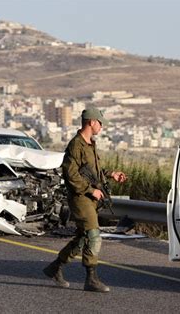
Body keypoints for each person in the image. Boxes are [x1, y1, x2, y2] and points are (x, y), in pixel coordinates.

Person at [43, 107, 127, 293]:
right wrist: (90, 190)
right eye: (100, 123)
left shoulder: (90, 144)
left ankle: (55, 267)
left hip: (90, 198)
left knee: (82, 238)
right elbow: (70, 174)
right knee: (94, 236)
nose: (101, 126)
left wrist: (111, 174)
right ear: (91, 122)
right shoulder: (76, 145)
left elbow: (94, 173)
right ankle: (91, 279)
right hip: (81, 198)